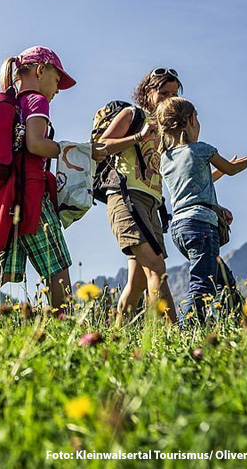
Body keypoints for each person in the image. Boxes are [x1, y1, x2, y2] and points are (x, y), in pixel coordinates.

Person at [0, 46, 100, 317]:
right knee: (57, 267)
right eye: (57, 80)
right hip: (31, 195)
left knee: (2, 269)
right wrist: (71, 149)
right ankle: (64, 326)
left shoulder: (13, 102)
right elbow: (35, 145)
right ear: (40, 70)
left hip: (6, 197)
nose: (57, 89)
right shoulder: (36, 101)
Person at [157, 97, 247, 324]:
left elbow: (192, 185)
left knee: (224, 281)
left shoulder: (166, 159)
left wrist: (218, 172)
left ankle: (241, 324)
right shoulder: (201, 150)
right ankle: (187, 331)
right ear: (191, 120)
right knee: (203, 285)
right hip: (201, 225)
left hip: (180, 229)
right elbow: (231, 169)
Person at [98, 68, 182, 325]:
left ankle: (117, 334)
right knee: (157, 268)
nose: (169, 99)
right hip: (126, 197)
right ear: (148, 92)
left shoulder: (166, 132)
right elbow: (101, 146)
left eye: (174, 94)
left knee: (138, 284)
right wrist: (139, 135)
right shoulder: (133, 115)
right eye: (163, 93)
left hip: (152, 206)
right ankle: (175, 336)